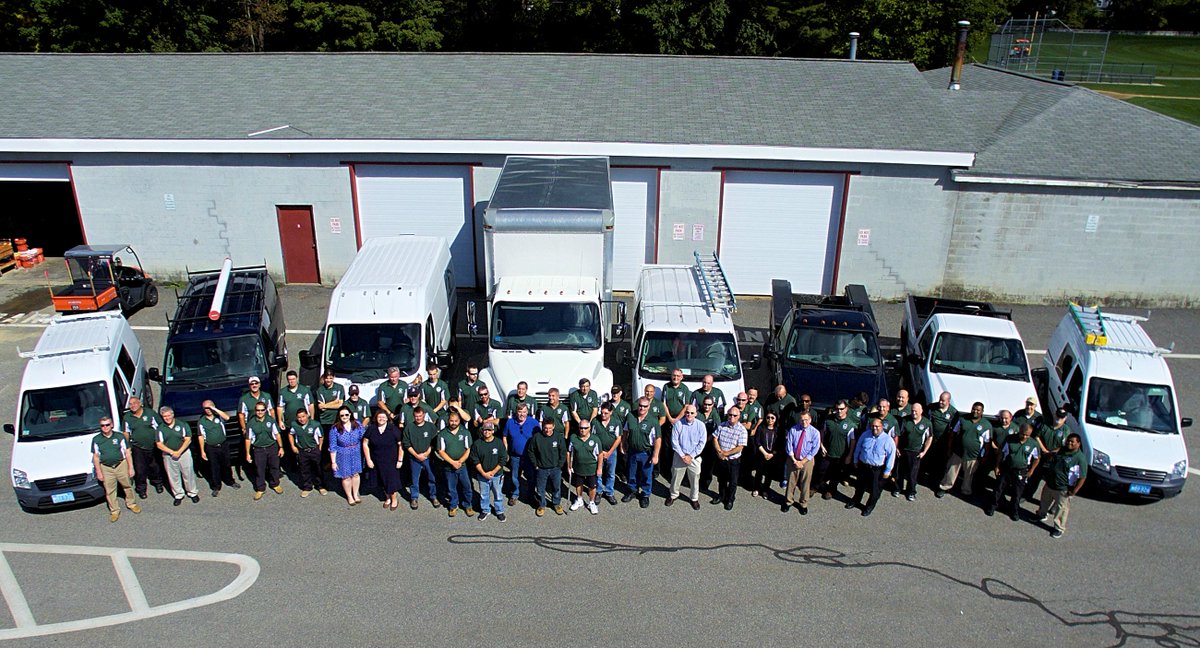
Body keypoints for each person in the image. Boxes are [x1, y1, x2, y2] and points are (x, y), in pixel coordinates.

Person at [1035, 432, 1087, 539]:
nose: (1069, 443)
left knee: (1061, 509)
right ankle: (1041, 515)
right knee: (1044, 501)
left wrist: (1074, 491)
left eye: (1072, 442)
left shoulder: (1079, 459)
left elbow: (1082, 477)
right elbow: (1053, 454)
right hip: (1050, 483)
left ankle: (1059, 528)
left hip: (1063, 488)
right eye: (1068, 440)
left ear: (1078, 443)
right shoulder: (1062, 450)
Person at [937, 402, 992, 499]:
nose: (975, 411)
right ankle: (945, 487)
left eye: (978, 410)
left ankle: (965, 491)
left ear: (982, 412)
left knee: (968, 475)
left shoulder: (986, 425)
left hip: (973, 456)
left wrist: (984, 457)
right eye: (973, 409)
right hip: (958, 452)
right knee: (951, 471)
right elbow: (953, 434)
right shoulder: (963, 419)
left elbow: (987, 444)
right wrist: (950, 449)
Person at [92, 416, 141, 522]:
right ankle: (114, 511)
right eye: (102, 425)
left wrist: (131, 468)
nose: (105, 427)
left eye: (107, 425)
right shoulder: (96, 439)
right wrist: (98, 472)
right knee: (110, 491)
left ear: (112, 425)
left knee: (127, 485)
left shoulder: (119, 436)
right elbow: (95, 457)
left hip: (121, 465)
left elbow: (127, 452)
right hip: (106, 468)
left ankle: (131, 504)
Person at [989, 423, 1041, 520]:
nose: (1024, 436)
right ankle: (993, 506)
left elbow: (1037, 458)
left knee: (1017, 493)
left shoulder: (1033, 444)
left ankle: (1014, 511)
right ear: (1019, 431)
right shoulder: (1010, 439)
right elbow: (1001, 452)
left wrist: (1031, 471)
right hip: (1007, 468)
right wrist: (997, 466)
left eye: (1027, 435)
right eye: (1022, 434)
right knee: (998, 488)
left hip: (1021, 471)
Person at [846, 418, 895, 517]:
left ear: (882, 427)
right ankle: (855, 500)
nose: (874, 428)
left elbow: (891, 456)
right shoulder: (865, 434)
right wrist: (855, 460)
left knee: (875, 490)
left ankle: (869, 506)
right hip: (863, 466)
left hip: (877, 469)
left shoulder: (888, 440)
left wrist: (887, 471)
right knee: (860, 486)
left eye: (877, 426)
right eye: (873, 426)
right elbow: (858, 447)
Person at [622, 397, 661, 509]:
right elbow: (625, 431)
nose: (642, 408)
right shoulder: (630, 416)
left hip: (646, 453)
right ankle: (632, 491)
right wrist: (623, 444)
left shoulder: (653, 421)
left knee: (646, 475)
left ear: (648, 407)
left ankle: (645, 495)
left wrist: (655, 455)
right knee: (631, 473)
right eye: (640, 405)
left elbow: (658, 439)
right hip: (632, 451)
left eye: (645, 406)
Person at [121, 395, 164, 498]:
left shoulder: (149, 413)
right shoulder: (127, 417)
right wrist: (127, 447)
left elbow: (160, 426)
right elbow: (126, 432)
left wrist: (160, 441)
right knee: (140, 470)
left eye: (135, 403)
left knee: (155, 466)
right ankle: (141, 489)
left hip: (153, 445)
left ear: (140, 403)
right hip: (137, 447)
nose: (133, 406)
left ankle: (158, 483)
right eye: (130, 404)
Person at [436, 408, 475, 518]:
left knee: (467, 486)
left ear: (459, 421)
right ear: (449, 420)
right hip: (449, 466)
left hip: (462, 466)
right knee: (451, 487)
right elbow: (441, 451)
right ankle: (453, 505)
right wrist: (452, 462)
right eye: (451, 421)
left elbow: (468, 449)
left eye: (456, 421)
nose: (453, 423)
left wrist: (460, 462)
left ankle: (468, 505)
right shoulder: (442, 434)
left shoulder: (465, 432)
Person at [156, 406, 199, 506]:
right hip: (168, 455)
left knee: (188, 473)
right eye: (164, 416)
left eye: (168, 415)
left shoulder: (182, 425)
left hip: (184, 453)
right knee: (173, 476)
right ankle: (178, 495)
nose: (167, 418)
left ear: (172, 415)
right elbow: (159, 444)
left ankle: (192, 493)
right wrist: (172, 452)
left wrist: (179, 451)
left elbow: (188, 439)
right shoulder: (160, 428)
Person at [197, 400, 240, 497]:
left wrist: (214, 409)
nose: (208, 410)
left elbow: (227, 417)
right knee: (214, 467)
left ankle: (230, 481)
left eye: (210, 407)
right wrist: (202, 451)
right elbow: (200, 436)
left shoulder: (219, 416)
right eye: (206, 408)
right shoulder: (202, 421)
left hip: (223, 445)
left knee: (227, 464)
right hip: (211, 447)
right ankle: (216, 486)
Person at [362, 409, 404, 510]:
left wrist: (400, 460)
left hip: (391, 461)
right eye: (379, 417)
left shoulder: (393, 429)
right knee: (381, 480)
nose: (381, 419)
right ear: (376, 418)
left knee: (391, 481)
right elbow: (365, 443)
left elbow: (400, 445)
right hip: (376, 460)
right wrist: (368, 459)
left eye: (383, 417)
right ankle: (387, 498)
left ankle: (394, 499)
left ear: (387, 418)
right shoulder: (371, 429)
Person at [816, 399, 857, 500]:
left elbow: (852, 441)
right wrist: (821, 445)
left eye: (842, 409)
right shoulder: (828, 420)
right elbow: (822, 432)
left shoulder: (850, 424)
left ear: (846, 409)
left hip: (840, 455)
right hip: (827, 452)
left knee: (836, 475)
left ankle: (831, 490)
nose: (839, 411)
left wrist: (849, 455)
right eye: (837, 409)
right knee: (821, 470)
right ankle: (815, 487)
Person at [244, 400, 285, 500]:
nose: (260, 412)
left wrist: (281, 447)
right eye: (258, 410)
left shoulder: (271, 420)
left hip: (272, 447)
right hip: (259, 449)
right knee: (259, 469)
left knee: (274, 467)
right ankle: (260, 488)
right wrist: (248, 453)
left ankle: (275, 484)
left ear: (265, 410)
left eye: (262, 410)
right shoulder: (251, 423)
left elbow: (277, 434)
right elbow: (248, 439)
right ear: (255, 411)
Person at [527, 416, 568, 517]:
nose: (547, 430)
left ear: (553, 426)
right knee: (540, 489)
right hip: (541, 469)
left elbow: (563, 452)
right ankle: (541, 505)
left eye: (550, 428)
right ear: (542, 426)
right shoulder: (537, 437)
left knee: (556, 487)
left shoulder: (558, 437)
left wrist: (560, 465)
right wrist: (535, 464)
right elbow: (530, 451)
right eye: (545, 428)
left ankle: (556, 503)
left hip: (555, 468)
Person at [667, 404, 705, 510]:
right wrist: (683, 455)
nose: (689, 414)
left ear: (696, 414)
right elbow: (674, 441)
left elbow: (702, 443)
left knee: (695, 479)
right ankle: (673, 495)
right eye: (687, 412)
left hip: (694, 457)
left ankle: (694, 498)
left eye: (692, 413)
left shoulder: (701, 426)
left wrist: (691, 456)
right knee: (676, 477)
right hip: (680, 456)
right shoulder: (678, 424)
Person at [1029, 408, 1071, 501]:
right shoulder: (1045, 425)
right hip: (1041, 456)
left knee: (1051, 483)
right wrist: (1045, 450)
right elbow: (1036, 437)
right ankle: (1027, 495)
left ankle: (1047, 502)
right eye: (1058, 416)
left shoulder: (1066, 430)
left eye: (1062, 417)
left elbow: (1065, 446)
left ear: (1065, 418)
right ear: (1055, 415)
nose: (1059, 418)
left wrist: (1052, 453)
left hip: (1054, 459)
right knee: (1034, 478)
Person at [402, 405, 440, 509]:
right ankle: (414, 498)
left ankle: (433, 496)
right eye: (416, 416)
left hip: (428, 457)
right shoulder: (409, 427)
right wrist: (416, 455)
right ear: (413, 416)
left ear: (424, 415)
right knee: (414, 479)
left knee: (431, 477)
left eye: (420, 416)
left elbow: (434, 441)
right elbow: (406, 443)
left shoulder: (430, 426)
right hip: (414, 458)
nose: (418, 418)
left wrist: (427, 453)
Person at [784, 411, 821, 515]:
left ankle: (803, 504)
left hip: (807, 461)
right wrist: (794, 460)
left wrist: (803, 462)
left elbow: (815, 449)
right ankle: (788, 501)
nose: (804, 422)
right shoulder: (793, 429)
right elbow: (789, 445)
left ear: (810, 420)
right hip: (793, 459)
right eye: (802, 420)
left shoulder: (815, 432)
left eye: (806, 420)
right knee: (791, 482)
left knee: (805, 483)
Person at [711, 406, 747, 511]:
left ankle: (730, 499)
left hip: (733, 461)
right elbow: (715, 438)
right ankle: (721, 495)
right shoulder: (722, 425)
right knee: (721, 479)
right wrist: (719, 452)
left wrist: (725, 453)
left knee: (733, 481)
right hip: (721, 458)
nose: (732, 417)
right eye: (730, 415)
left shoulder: (742, 430)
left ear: (739, 416)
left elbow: (740, 447)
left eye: (734, 415)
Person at [895, 403, 932, 501]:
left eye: (916, 411)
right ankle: (897, 489)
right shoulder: (905, 420)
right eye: (912, 411)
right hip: (903, 450)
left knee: (912, 474)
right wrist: (897, 448)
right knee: (900, 472)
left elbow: (929, 438)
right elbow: (898, 434)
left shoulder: (927, 423)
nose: (913, 413)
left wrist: (924, 451)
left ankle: (911, 492)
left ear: (921, 411)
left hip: (916, 452)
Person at [472, 421, 509, 521]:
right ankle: (485, 510)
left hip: (496, 474)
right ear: (482, 430)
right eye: (485, 429)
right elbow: (475, 460)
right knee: (484, 494)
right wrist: (483, 473)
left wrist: (492, 472)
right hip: (482, 475)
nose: (487, 432)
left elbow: (503, 459)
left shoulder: (499, 443)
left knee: (498, 494)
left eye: (489, 430)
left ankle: (499, 511)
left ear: (493, 431)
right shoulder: (477, 444)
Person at [503, 402, 538, 506]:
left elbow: (539, 439)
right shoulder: (510, 422)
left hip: (529, 456)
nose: (522, 414)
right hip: (515, 456)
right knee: (514, 476)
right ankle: (515, 494)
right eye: (519, 412)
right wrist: (506, 450)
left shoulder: (534, 423)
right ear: (516, 412)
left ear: (527, 412)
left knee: (531, 477)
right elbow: (504, 436)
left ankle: (531, 495)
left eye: (524, 412)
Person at [329, 406, 365, 506]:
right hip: (342, 453)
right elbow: (332, 446)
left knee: (356, 474)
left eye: (346, 414)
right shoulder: (334, 429)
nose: (344, 417)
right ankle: (349, 496)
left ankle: (355, 494)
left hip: (356, 452)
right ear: (339, 416)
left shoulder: (357, 424)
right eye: (342, 415)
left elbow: (365, 437)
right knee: (346, 476)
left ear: (350, 415)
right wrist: (333, 462)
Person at [566, 420, 602, 515]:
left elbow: (600, 455)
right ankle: (579, 499)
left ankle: (591, 503)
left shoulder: (595, 439)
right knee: (578, 484)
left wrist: (599, 468)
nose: (583, 430)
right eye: (581, 428)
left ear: (589, 428)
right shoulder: (573, 438)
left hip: (591, 468)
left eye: (585, 428)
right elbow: (569, 452)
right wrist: (569, 466)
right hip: (578, 467)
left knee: (592, 486)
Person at [289, 408, 326, 498]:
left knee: (318, 469)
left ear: (307, 415)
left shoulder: (315, 424)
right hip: (302, 451)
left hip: (314, 450)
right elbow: (290, 434)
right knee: (304, 469)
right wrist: (293, 446)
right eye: (299, 417)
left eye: (303, 416)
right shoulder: (294, 425)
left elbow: (321, 436)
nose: (302, 419)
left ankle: (320, 486)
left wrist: (319, 447)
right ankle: (307, 487)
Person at [592, 402, 623, 506]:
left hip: (611, 452)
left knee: (611, 473)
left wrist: (609, 452)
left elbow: (618, 438)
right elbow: (592, 437)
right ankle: (599, 491)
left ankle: (609, 492)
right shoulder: (595, 421)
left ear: (611, 412)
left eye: (606, 413)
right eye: (602, 412)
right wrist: (600, 452)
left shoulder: (616, 422)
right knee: (598, 473)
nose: (603, 415)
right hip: (598, 452)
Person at [750, 411, 784, 499]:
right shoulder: (761, 428)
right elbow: (757, 442)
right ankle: (756, 488)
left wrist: (772, 454)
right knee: (759, 473)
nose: (770, 420)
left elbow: (779, 444)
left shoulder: (778, 430)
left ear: (776, 419)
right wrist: (765, 453)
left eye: (772, 418)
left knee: (769, 475)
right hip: (761, 455)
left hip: (772, 456)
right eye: (768, 417)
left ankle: (765, 490)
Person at [925, 391, 958, 480]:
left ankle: (937, 479)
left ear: (948, 401)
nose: (940, 402)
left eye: (943, 401)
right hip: (931, 439)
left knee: (940, 462)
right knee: (928, 459)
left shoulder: (953, 413)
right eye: (940, 399)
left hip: (944, 442)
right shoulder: (932, 407)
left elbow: (954, 429)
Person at [697, 396, 721, 493]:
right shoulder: (698, 414)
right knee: (698, 463)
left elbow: (718, 428)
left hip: (710, 443)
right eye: (705, 404)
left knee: (708, 465)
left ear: (713, 405)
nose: (707, 406)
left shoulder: (715, 413)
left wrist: (709, 438)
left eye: (709, 404)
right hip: (699, 442)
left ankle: (705, 483)